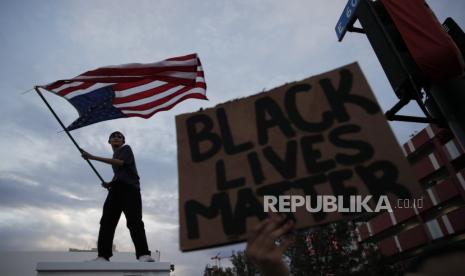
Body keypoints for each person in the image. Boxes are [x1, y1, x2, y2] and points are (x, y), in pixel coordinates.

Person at [81, 131, 154, 262]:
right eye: (113, 136)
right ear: (109, 141)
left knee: (134, 221)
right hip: (116, 189)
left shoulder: (126, 149)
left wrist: (92, 157)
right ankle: (103, 256)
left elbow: (120, 163)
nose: (116, 138)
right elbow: (120, 173)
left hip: (130, 190)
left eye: (119, 137)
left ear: (123, 141)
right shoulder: (115, 154)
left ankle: (143, 254)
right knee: (107, 222)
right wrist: (110, 183)